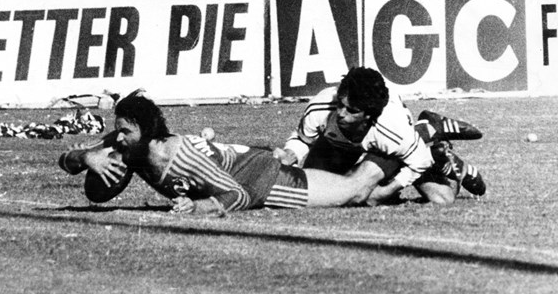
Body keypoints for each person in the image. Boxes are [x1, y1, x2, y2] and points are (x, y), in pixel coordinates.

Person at [58, 91, 415, 214]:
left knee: (355, 193)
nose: (117, 139)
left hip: (261, 176)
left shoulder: (181, 158)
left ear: (147, 133)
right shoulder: (128, 143)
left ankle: (418, 138)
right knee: (357, 191)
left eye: (124, 131)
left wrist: (198, 207)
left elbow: (237, 193)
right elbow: (69, 164)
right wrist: (86, 157)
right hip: (240, 162)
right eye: (117, 129)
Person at [273, 67, 486, 205]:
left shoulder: (391, 130)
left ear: (368, 115)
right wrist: (291, 153)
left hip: (389, 146)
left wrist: (392, 187)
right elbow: (303, 139)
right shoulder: (321, 107)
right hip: (341, 145)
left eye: (351, 110)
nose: (340, 113)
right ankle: (432, 138)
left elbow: (419, 162)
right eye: (340, 104)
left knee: (442, 199)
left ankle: (429, 132)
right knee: (315, 190)